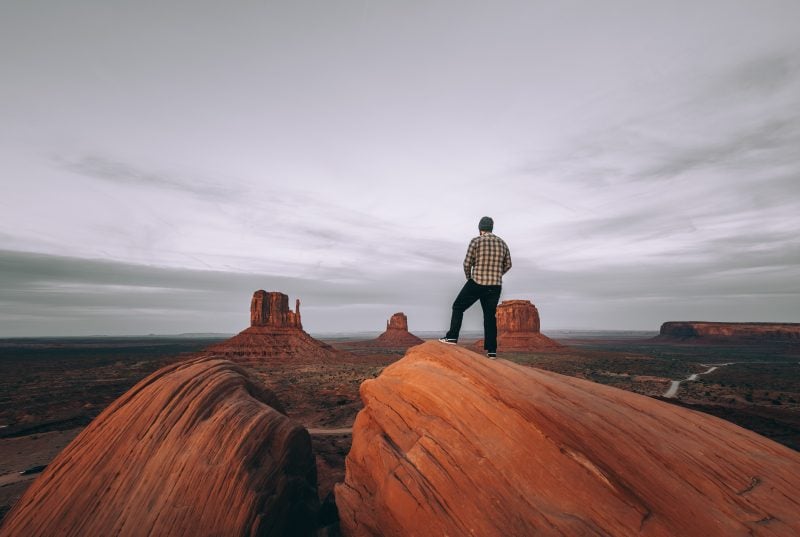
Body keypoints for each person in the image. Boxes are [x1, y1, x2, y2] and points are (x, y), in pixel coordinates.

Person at [439, 216, 511, 359]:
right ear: (492, 228)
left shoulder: (476, 241)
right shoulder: (503, 243)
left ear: (480, 229)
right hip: (495, 286)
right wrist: (497, 274)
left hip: (477, 282)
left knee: (458, 307)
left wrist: (469, 278)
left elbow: (467, 263)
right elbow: (508, 264)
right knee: (489, 317)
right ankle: (492, 351)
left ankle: (452, 337)